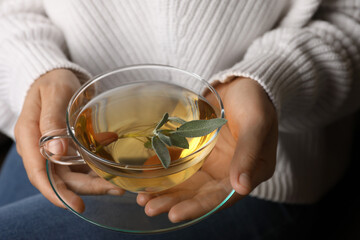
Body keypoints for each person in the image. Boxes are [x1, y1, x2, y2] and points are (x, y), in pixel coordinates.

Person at [0, 0, 359, 239]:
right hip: (66, 141)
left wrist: (273, 79)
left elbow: (351, 16)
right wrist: (36, 68)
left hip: (247, 169)